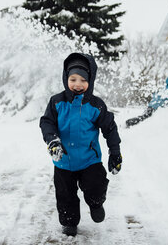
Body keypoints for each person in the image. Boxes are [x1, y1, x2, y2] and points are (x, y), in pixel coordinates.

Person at [39, 52, 122, 237]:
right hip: (63, 161)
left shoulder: (96, 105)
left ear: (90, 81)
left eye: (83, 80)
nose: (77, 84)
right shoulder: (57, 102)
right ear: (66, 78)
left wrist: (115, 152)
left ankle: (96, 203)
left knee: (96, 185)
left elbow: (110, 128)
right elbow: (47, 123)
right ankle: (69, 222)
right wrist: (53, 141)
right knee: (65, 195)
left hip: (89, 160)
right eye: (73, 79)